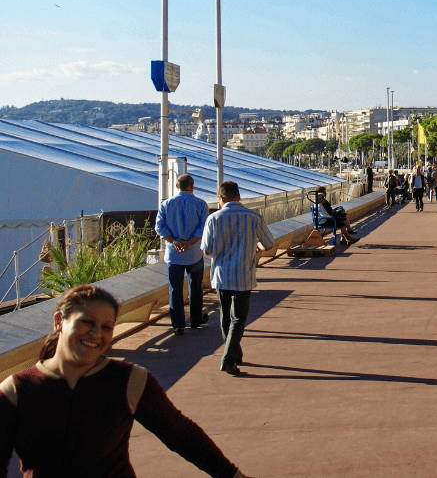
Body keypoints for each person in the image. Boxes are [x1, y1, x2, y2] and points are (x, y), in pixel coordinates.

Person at [0, 285, 251, 477]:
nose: (96, 334)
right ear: (59, 322)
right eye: (87, 322)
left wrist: (232, 474)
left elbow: (181, 434)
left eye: (107, 327)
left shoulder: (129, 380)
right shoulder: (17, 390)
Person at [201, 181, 275, 377]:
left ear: (221, 198)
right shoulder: (253, 217)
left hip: (221, 275)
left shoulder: (213, 219)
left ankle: (233, 353)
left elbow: (206, 250)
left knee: (226, 317)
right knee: (238, 318)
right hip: (243, 274)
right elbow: (269, 243)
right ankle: (229, 358)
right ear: (239, 196)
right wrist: (255, 248)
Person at [154, 173, 210, 336]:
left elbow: (160, 227)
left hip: (174, 254)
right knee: (195, 287)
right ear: (192, 185)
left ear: (177, 186)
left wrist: (175, 241)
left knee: (175, 289)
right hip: (194, 252)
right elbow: (204, 227)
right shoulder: (200, 204)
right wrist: (190, 242)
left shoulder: (166, 204)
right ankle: (195, 319)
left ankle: (178, 324)